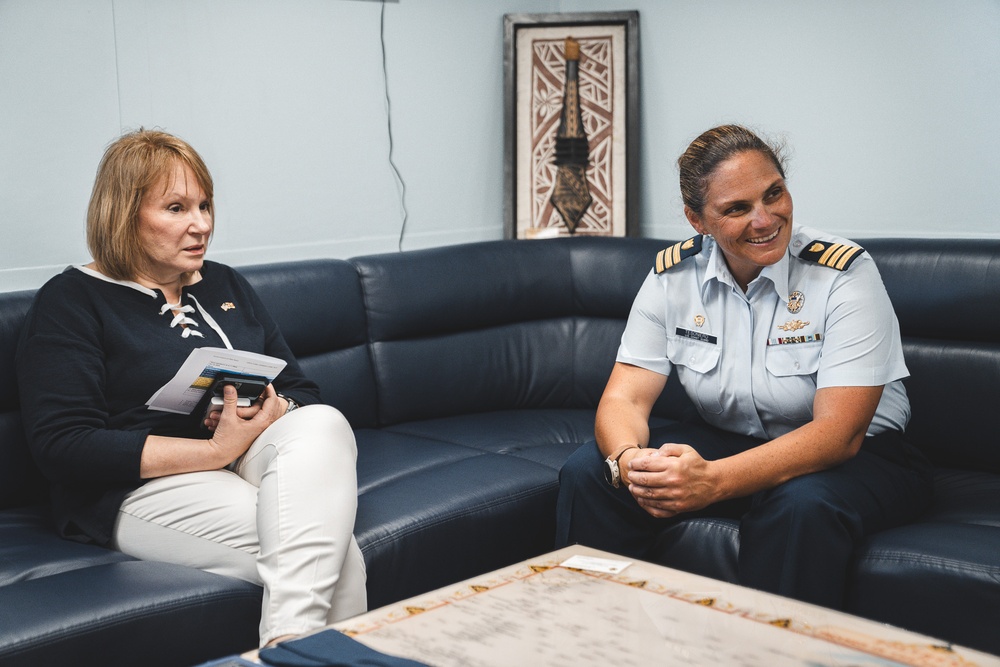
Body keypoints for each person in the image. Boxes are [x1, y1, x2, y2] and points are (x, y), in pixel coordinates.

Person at [555, 124, 933, 609]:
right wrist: (628, 462)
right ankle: (597, 640)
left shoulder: (844, 274)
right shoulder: (674, 275)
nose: (765, 219)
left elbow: (838, 434)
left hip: (864, 458)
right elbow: (625, 396)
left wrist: (711, 482)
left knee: (800, 506)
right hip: (734, 439)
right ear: (698, 220)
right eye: (737, 209)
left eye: (774, 193)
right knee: (591, 471)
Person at [16, 129, 367, 646]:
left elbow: (302, 390)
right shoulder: (70, 301)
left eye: (205, 205)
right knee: (339, 557)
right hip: (137, 490)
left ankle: (290, 649)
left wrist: (271, 412)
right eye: (176, 208)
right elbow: (62, 445)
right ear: (123, 214)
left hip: (244, 458)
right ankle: (297, 647)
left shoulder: (225, 283)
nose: (200, 225)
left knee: (323, 420)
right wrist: (211, 449)